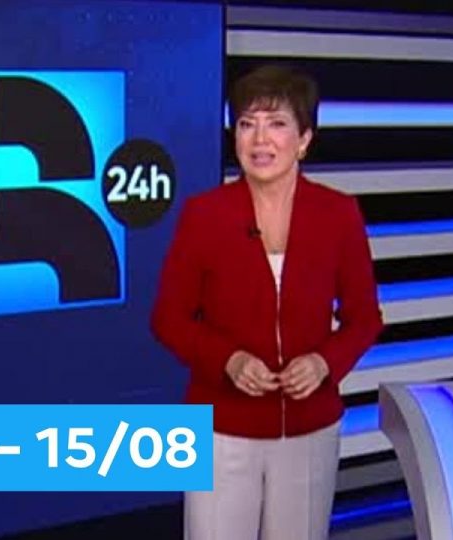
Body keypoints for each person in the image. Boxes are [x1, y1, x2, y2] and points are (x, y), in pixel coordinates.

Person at [150, 64, 384, 540]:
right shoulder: (204, 214)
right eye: (246, 124)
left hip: (309, 428)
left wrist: (323, 363)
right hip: (222, 427)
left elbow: (365, 319)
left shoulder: (338, 213)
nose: (260, 139)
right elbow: (168, 318)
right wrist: (229, 360)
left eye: (276, 123)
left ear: (304, 140)